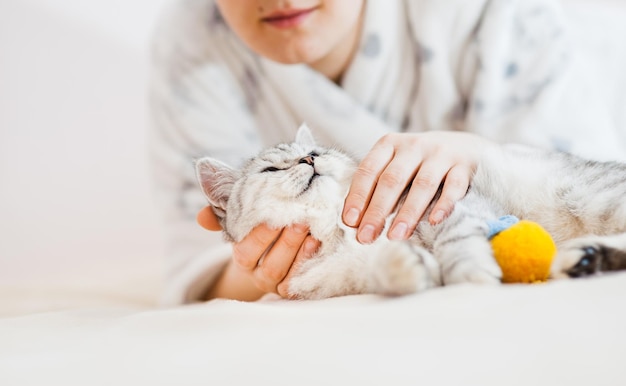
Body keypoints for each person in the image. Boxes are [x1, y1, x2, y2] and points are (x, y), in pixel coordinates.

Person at [149, 0, 626, 304]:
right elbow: (198, 273)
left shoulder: (492, 13)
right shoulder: (193, 43)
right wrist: (266, 269)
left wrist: (479, 154)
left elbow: (573, 172)